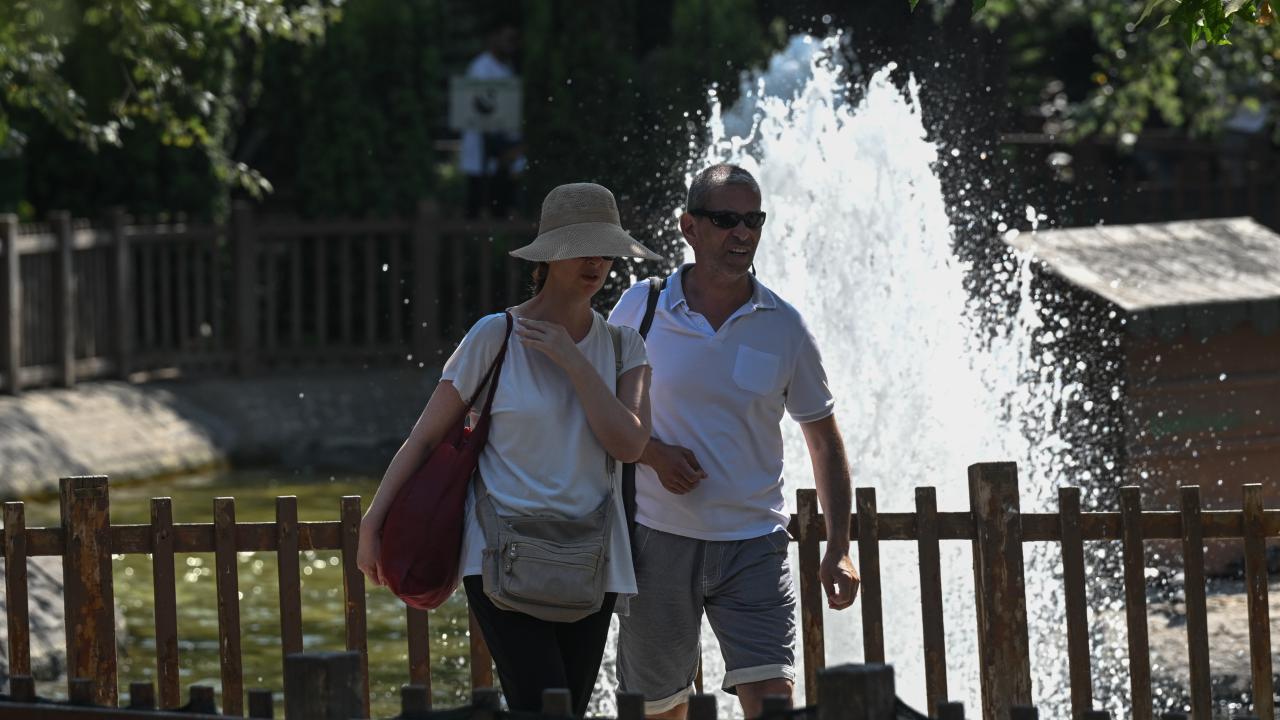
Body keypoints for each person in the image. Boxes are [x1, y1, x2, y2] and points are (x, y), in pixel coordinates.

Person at [358, 182, 661, 715]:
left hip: (592, 558)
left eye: (605, 250)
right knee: (545, 706)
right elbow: (425, 437)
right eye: (581, 247)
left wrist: (573, 361)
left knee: (564, 710)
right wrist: (371, 523)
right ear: (549, 255)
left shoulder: (622, 345)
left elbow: (630, 443)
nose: (596, 262)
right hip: (500, 553)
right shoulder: (494, 335)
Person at [608, 164, 860, 719]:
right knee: (660, 711)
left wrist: (840, 546)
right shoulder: (640, 308)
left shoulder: (785, 326)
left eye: (753, 220)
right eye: (725, 220)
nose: (742, 233)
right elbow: (598, 410)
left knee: (774, 706)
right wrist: (652, 454)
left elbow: (824, 442)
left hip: (755, 546)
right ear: (689, 227)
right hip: (656, 541)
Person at [461, 21, 523, 219]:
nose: (511, 44)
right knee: (478, 197)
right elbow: (478, 110)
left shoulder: (507, 67)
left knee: (500, 197)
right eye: (507, 39)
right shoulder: (480, 68)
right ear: (494, 39)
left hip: (501, 142)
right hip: (484, 141)